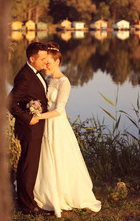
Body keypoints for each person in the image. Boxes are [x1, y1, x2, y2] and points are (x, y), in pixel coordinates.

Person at [32, 42, 101, 218]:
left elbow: (59, 110)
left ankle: (63, 194)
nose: (45, 65)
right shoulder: (47, 79)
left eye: (48, 62)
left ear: (57, 62)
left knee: (60, 157)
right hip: (45, 123)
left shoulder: (65, 82)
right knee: (45, 157)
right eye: (44, 62)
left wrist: (37, 117)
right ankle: (44, 192)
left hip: (57, 124)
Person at [7, 42, 51, 215]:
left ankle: (28, 200)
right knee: (28, 166)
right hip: (29, 128)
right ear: (32, 59)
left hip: (36, 128)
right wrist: (28, 118)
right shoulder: (25, 76)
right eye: (42, 59)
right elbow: (10, 102)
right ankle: (27, 206)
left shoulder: (35, 72)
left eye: (46, 58)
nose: (45, 62)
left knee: (30, 165)